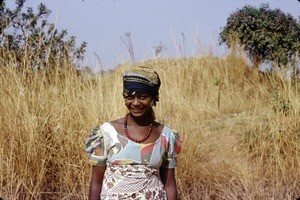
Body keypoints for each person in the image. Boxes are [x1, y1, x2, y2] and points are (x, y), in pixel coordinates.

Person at [85, 66, 182, 200]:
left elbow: (170, 184)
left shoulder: (166, 135)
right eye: (130, 97)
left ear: (153, 98)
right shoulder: (106, 133)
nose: (136, 103)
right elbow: (96, 183)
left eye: (143, 97)